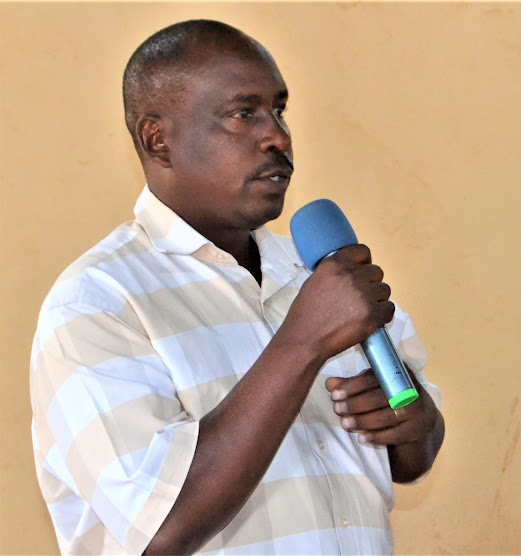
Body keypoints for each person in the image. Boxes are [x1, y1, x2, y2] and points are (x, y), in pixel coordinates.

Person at [30, 19, 444, 555]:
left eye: (279, 110)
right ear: (158, 140)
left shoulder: (319, 271)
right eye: (242, 114)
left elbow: (413, 458)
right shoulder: (98, 303)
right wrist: (302, 343)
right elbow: (160, 528)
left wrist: (414, 423)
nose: (277, 135)